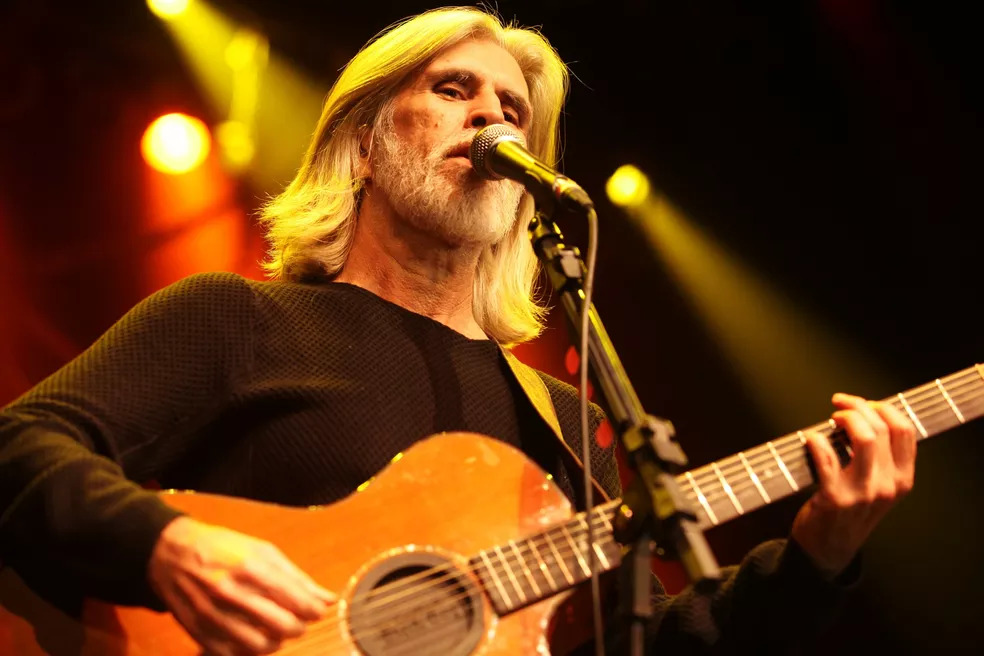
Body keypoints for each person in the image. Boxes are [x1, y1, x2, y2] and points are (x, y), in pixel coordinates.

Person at [0, 6, 916, 655]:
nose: (491, 117)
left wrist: (816, 556)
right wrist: (165, 543)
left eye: (514, 111)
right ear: (364, 143)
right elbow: (19, 446)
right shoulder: (238, 320)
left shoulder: (566, 418)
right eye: (454, 90)